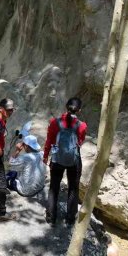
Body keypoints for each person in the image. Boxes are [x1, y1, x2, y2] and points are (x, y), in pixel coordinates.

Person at [44, 97, 87, 226]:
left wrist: (46, 156)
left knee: (53, 188)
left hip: (57, 158)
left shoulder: (54, 122)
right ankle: (70, 219)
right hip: (74, 160)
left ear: (66, 106)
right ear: (79, 110)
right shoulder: (82, 126)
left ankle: (51, 218)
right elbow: (80, 141)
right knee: (73, 188)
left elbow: (49, 141)